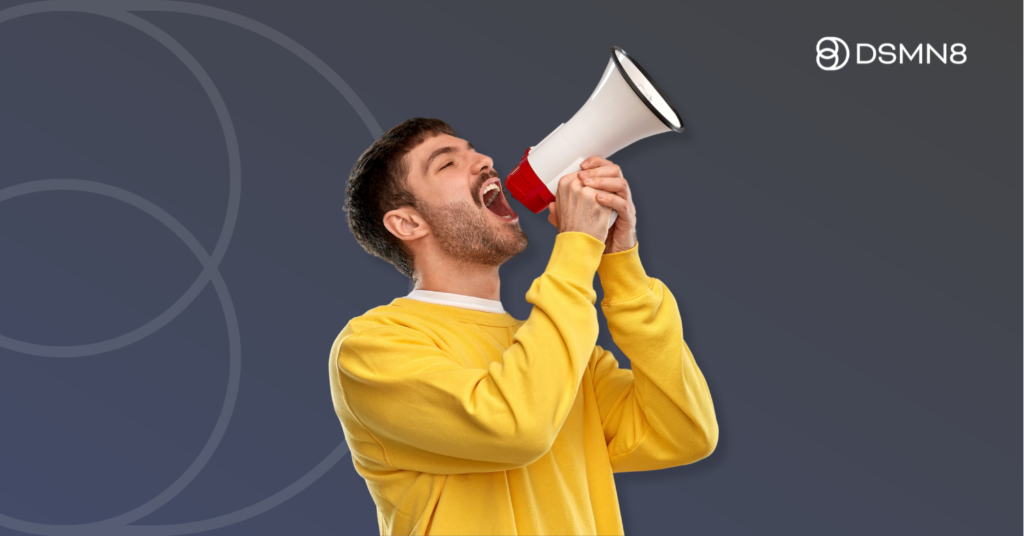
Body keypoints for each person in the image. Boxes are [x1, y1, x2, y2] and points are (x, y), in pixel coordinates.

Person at [328, 117, 718, 535]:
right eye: (447, 164)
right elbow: (517, 429)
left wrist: (618, 262)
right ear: (407, 224)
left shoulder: (561, 350)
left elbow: (686, 433)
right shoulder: (372, 347)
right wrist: (575, 248)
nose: (484, 160)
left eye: (472, 149)